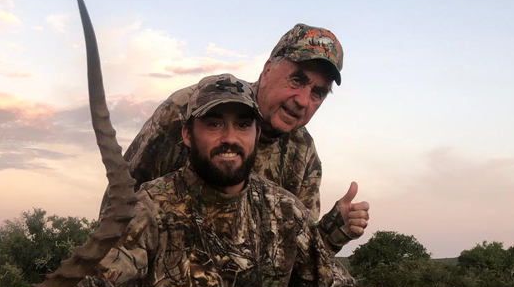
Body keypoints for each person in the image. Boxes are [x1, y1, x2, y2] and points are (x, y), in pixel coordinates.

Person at [54, 74, 417, 287]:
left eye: (243, 125)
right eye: (214, 124)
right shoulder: (149, 207)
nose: (230, 138)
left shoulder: (284, 212)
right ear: (187, 134)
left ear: (257, 135)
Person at [122, 23, 366, 254]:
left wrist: (334, 232)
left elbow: (299, 259)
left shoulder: (304, 155)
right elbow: (122, 203)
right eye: (296, 80)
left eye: (318, 93)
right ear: (267, 70)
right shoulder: (189, 109)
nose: (303, 100)